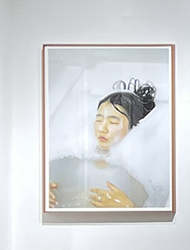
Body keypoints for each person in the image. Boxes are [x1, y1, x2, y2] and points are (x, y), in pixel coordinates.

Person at [48, 80, 157, 208]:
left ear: (134, 129)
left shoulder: (142, 179)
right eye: (99, 119)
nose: (102, 128)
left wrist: (129, 207)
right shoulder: (70, 162)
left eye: (113, 122)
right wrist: (41, 191)